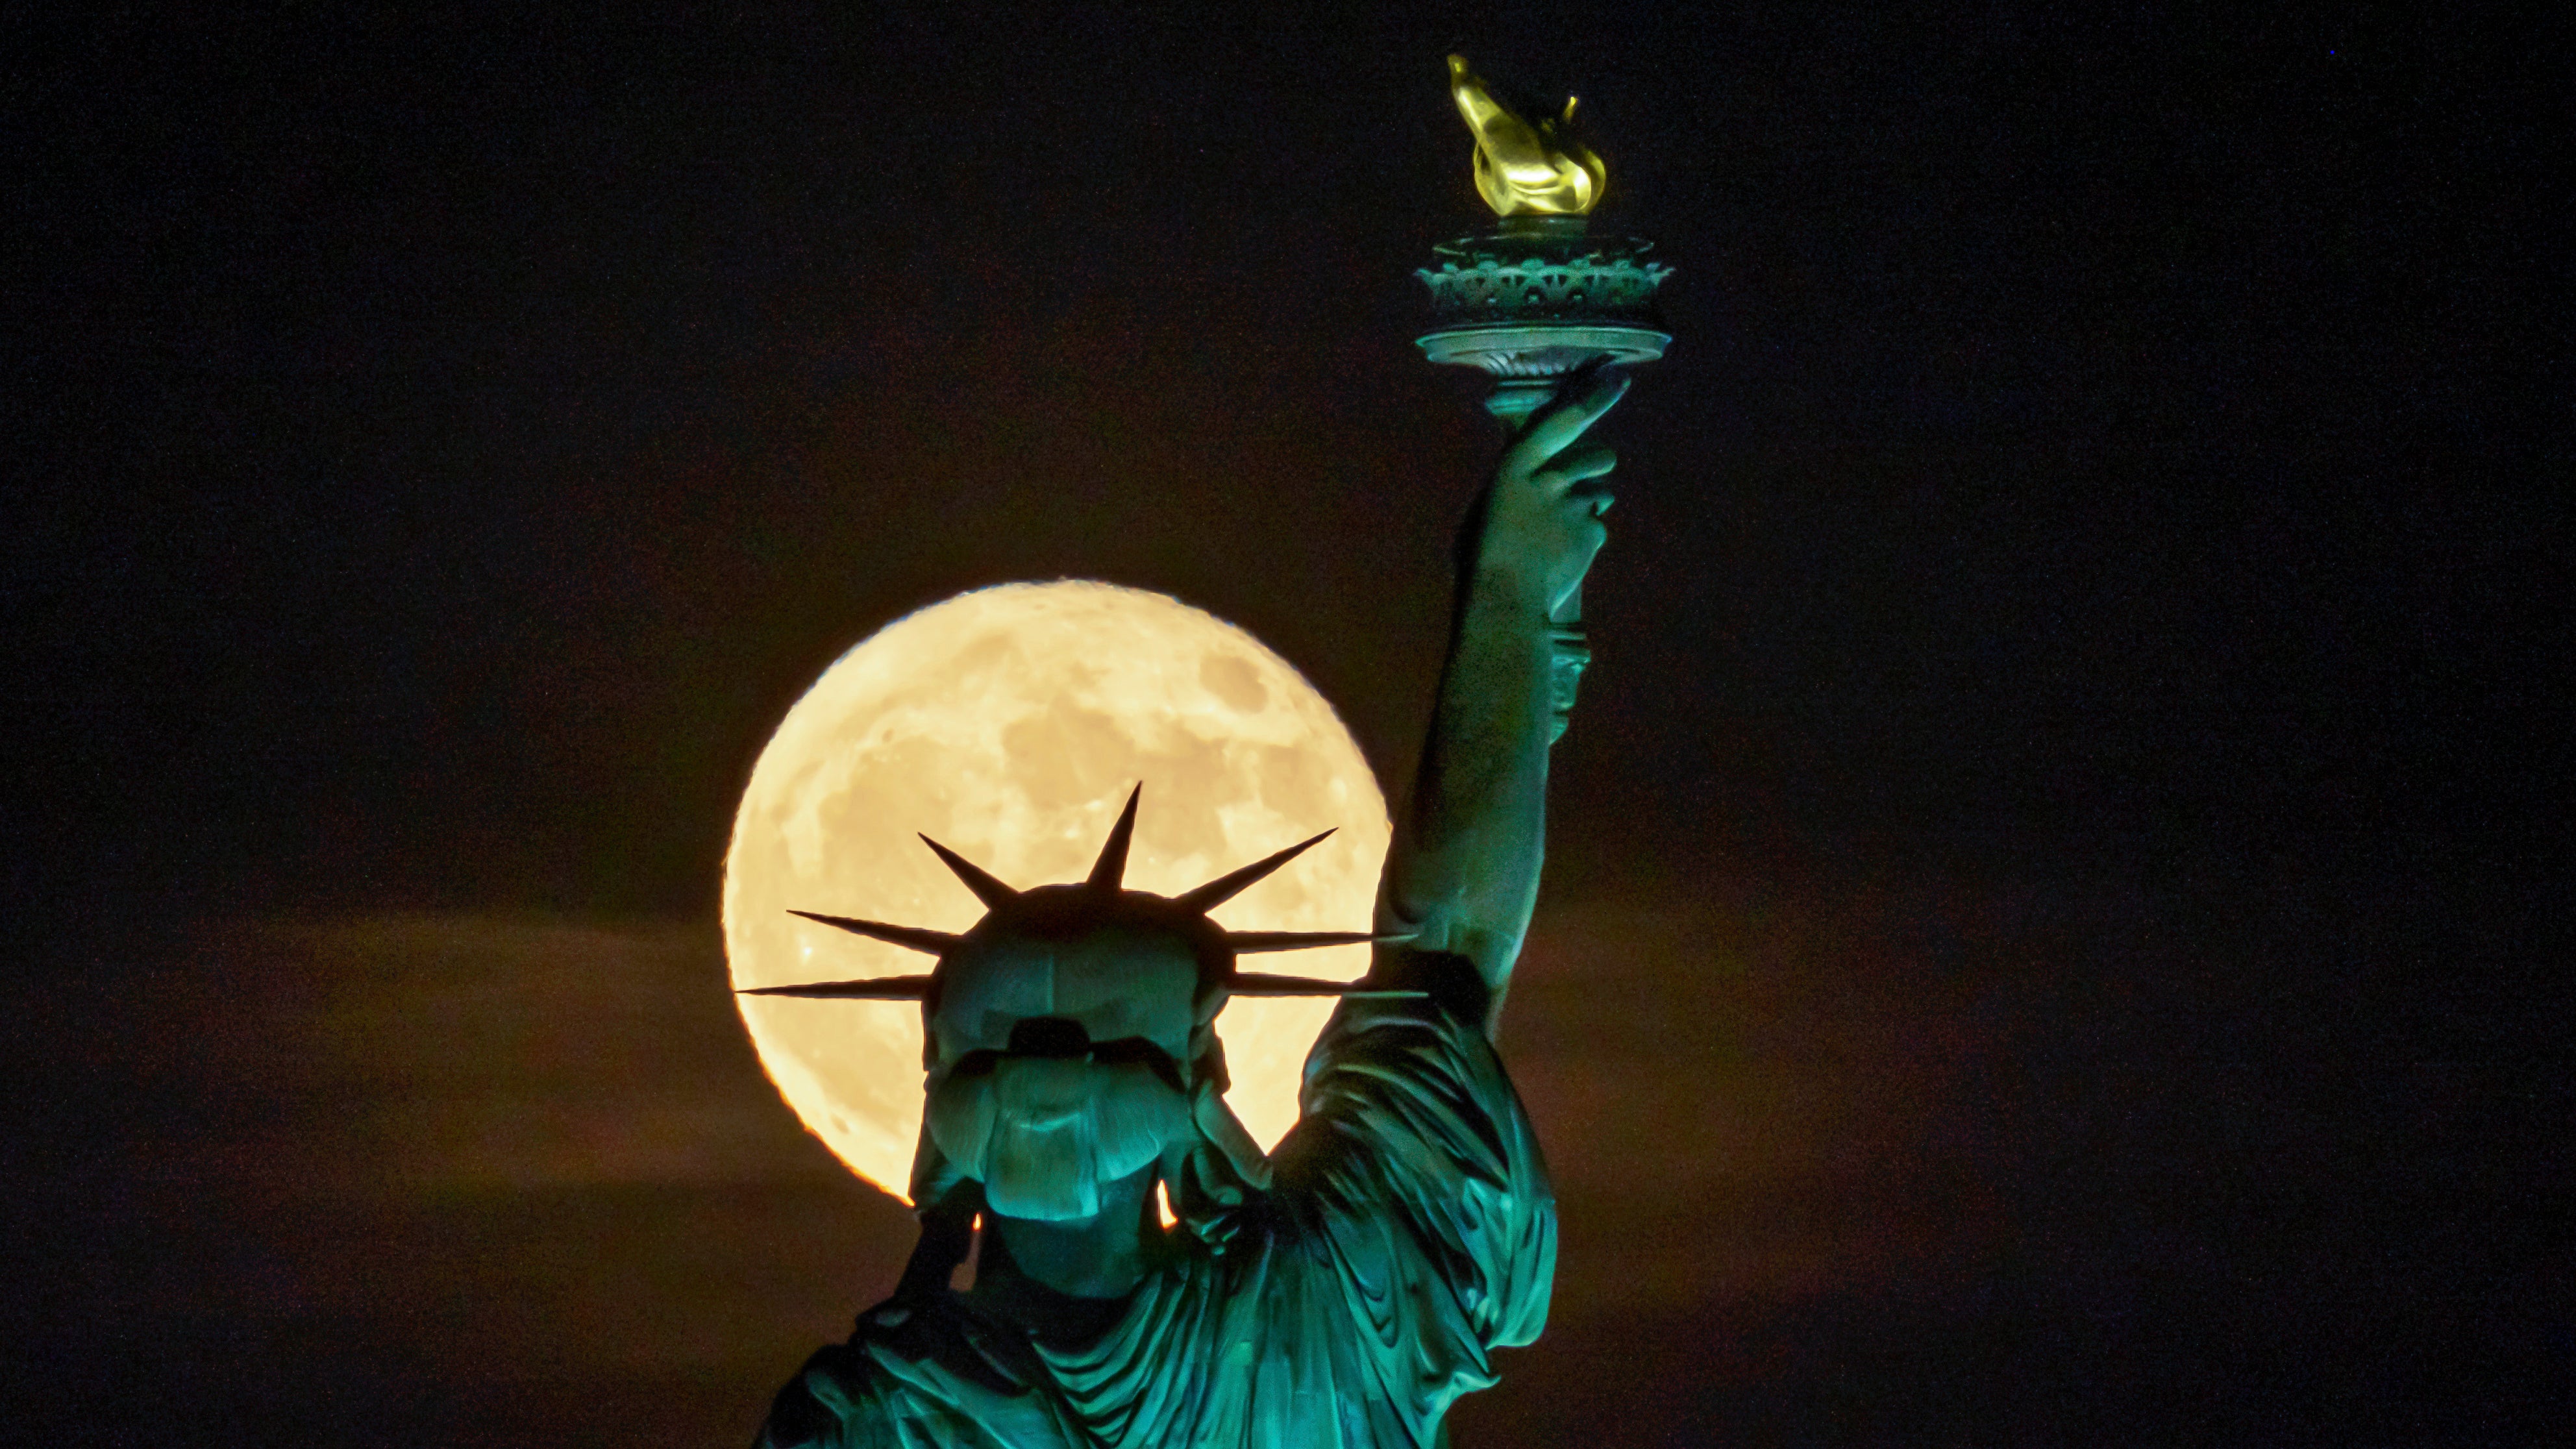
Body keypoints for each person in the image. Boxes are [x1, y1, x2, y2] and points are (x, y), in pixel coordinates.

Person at [749, 370, 1630, 1448]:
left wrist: (1507, 600)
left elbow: (1448, 956)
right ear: (1197, 1091)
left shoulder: (868, 1421)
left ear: (941, 1121)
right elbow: (1450, 949)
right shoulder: (1333, 1305)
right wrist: (1508, 597)